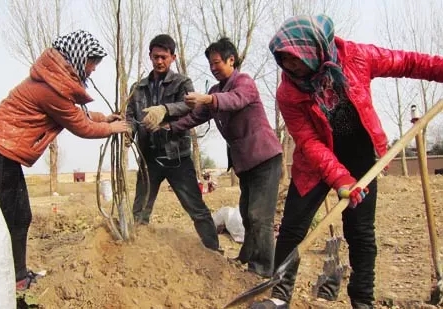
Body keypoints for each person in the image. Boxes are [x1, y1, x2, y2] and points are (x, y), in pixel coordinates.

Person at [252, 14, 443, 309]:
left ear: (315, 49)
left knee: (361, 232)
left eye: (295, 59)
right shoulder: (288, 93)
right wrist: (339, 179)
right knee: (292, 228)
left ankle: (362, 300)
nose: (290, 67)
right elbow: (309, 141)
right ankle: (279, 295)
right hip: (315, 164)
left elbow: (407, 62)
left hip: (360, 157)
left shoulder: (357, 57)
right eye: (284, 60)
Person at [0, 30, 129, 291]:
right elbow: (81, 126)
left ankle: (15, 275)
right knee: (12, 218)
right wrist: (113, 128)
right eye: (92, 63)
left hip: (0, 153)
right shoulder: (51, 90)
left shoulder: (54, 84)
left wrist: (106, 118)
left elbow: (78, 114)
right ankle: (12, 279)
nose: (92, 70)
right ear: (78, 58)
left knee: (18, 217)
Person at [163, 38, 283, 278]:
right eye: (210, 64)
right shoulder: (215, 91)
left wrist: (207, 100)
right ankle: (248, 257)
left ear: (231, 60)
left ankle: (263, 271)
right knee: (247, 212)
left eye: (217, 62)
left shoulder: (244, 82)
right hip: (246, 163)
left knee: (260, 216)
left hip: (265, 158)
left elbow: (234, 100)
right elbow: (196, 117)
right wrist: (170, 127)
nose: (213, 68)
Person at [125, 34, 220, 251]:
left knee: (196, 208)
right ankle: (135, 254)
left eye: (164, 57)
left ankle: (214, 252)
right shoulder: (137, 87)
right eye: (155, 57)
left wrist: (165, 110)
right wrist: (128, 131)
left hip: (177, 157)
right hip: (148, 158)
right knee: (140, 211)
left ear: (173, 57)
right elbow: (130, 114)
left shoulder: (182, 83)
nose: (159, 61)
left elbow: (191, 106)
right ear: (149, 56)